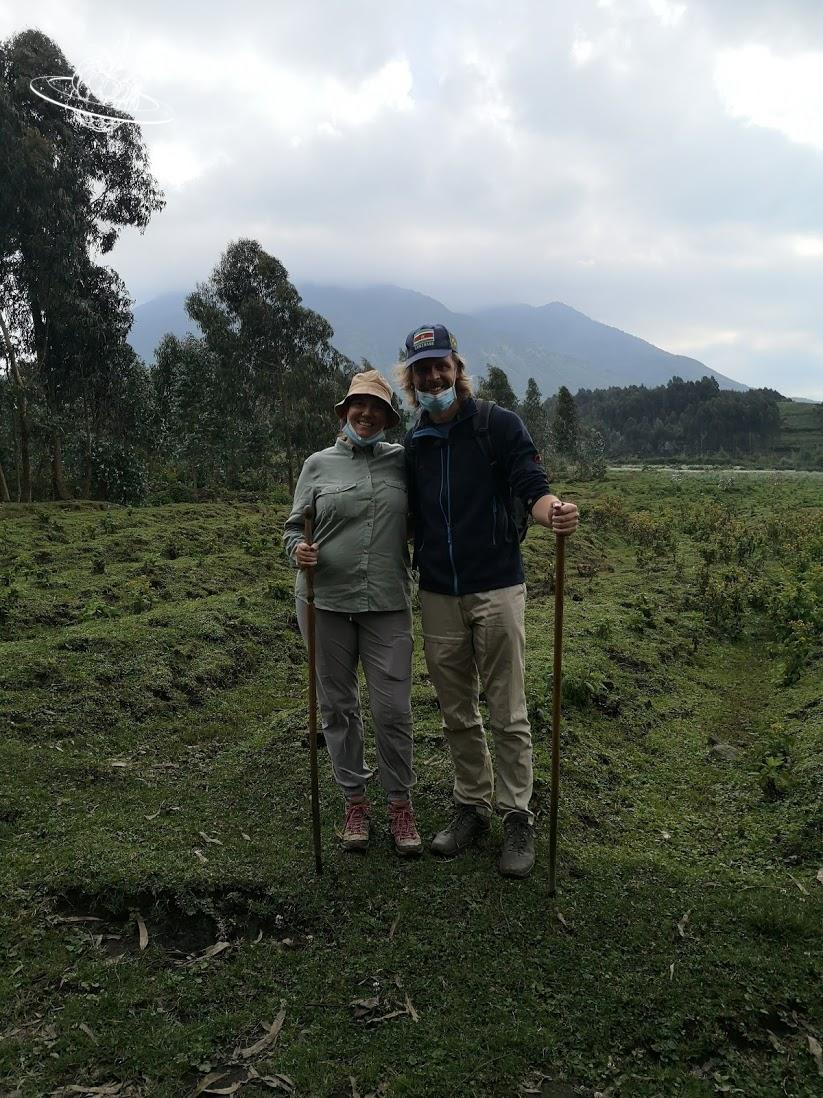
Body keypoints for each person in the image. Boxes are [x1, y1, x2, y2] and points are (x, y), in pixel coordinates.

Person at [396, 325, 579, 878]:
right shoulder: (415, 442)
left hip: (497, 586)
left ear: (457, 369)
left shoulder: (498, 425)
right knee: (455, 710)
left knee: (507, 708)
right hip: (438, 591)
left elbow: (532, 486)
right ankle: (471, 804)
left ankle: (517, 814)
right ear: (411, 379)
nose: (433, 377)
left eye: (441, 366)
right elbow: (407, 516)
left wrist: (554, 512)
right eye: (422, 370)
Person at [283, 370, 422, 856]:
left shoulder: (402, 461)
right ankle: (355, 802)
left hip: (387, 601)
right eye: (359, 406)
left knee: (393, 709)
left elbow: (422, 517)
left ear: (387, 417)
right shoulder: (317, 465)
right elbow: (292, 529)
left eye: (377, 408)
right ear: (345, 412)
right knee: (337, 706)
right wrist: (298, 549)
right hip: (323, 601)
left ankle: (400, 804)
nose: (367, 414)